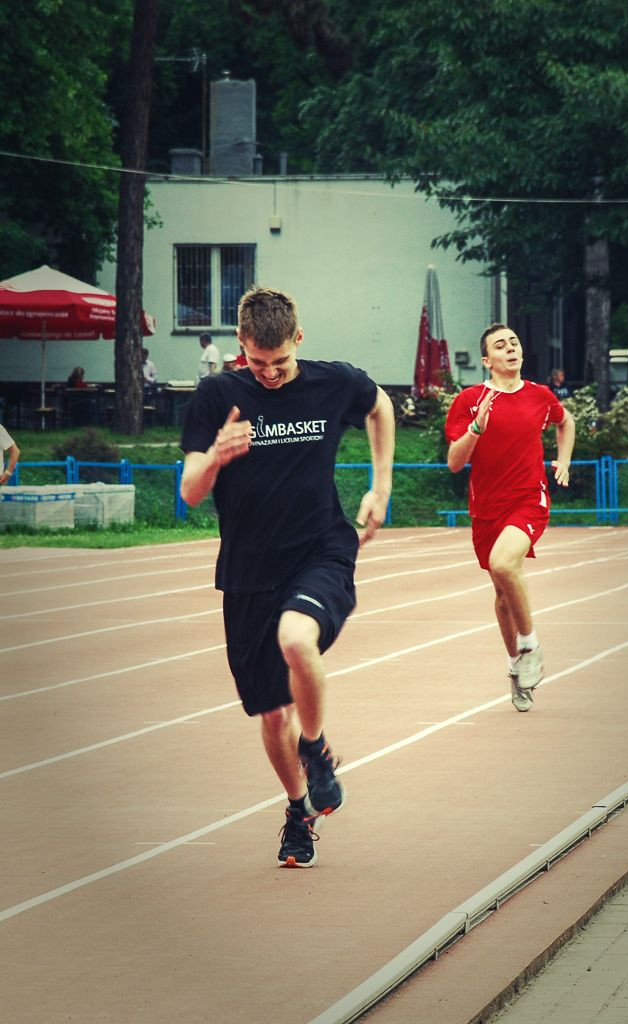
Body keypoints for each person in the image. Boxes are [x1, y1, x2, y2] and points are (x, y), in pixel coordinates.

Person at [180, 286, 395, 868]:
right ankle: (298, 810)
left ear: (298, 339)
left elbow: (381, 407)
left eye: (280, 362)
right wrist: (216, 458)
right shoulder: (216, 396)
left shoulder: (333, 382)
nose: (270, 374)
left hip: (319, 550)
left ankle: (317, 748)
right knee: (272, 715)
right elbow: (191, 492)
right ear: (240, 348)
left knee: (297, 638)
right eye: (258, 363)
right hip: (249, 570)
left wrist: (381, 485)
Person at [445, 324, 575, 713]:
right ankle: (516, 667)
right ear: (487, 360)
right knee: (502, 594)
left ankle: (531, 646)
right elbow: (454, 463)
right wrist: (476, 428)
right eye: (500, 346)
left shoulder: (540, 395)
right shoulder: (469, 400)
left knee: (504, 563)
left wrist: (563, 459)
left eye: (514, 343)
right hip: (486, 508)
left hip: (528, 500)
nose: (510, 349)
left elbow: (565, 422)